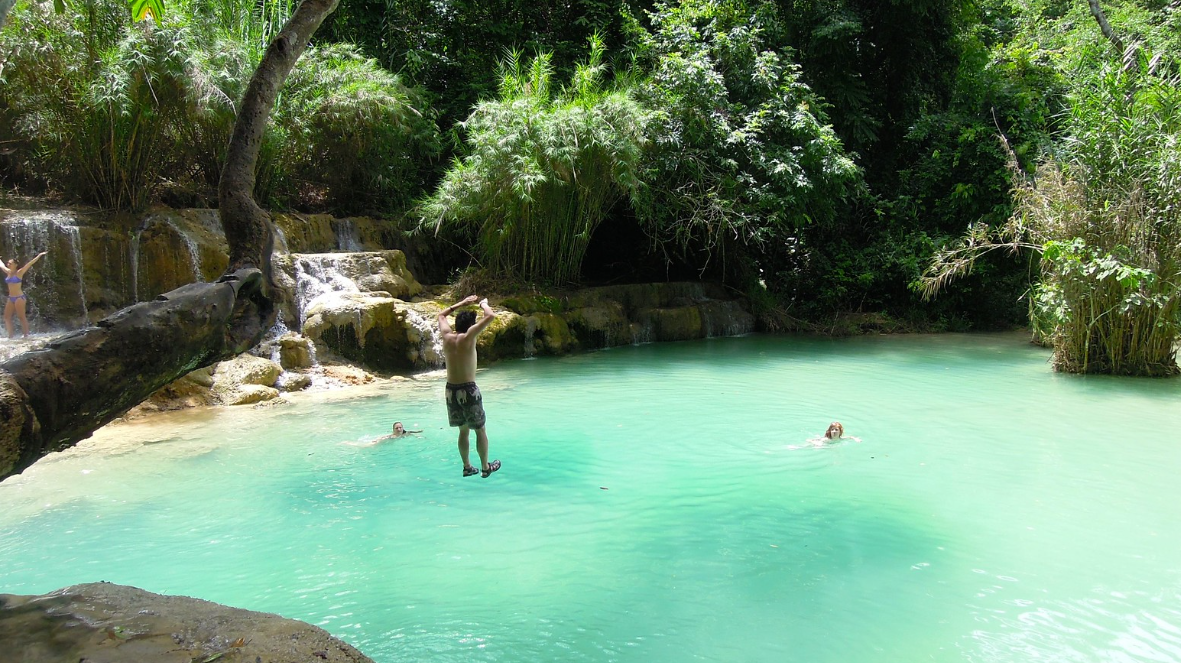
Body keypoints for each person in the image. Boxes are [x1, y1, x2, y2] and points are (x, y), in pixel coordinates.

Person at [438, 294, 501, 478]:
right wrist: (483, 304)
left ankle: (467, 466)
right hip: (468, 389)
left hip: (451, 390)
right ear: (471, 325)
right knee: (480, 430)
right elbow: (490, 316)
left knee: (463, 430)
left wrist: (463, 303)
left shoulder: (447, 337)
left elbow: (441, 315)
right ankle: (485, 467)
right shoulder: (469, 337)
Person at [1, 251, 47, 338]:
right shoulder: (8, 272)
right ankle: (10, 336)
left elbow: (30, 263)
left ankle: (26, 335)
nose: (8, 264)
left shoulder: (19, 272)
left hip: (19, 297)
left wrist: (39, 255)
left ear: (15, 265)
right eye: (8, 263)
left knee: (21, 317)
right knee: (6, 317)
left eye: (10, 263)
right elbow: (1, 265)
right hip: (11, 298)